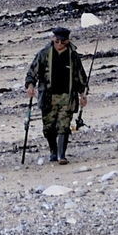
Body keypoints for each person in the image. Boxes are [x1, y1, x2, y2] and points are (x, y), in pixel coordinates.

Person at [24, 25, 88, 163]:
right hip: (48, 96)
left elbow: (80, 76)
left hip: (67, 96)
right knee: (48, 128)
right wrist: (30, 86)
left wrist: (83, 94)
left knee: (64, 126)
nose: (59, 44)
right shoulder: (44, 54)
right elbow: (32, 73)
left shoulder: (73, 56)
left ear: (67, 41)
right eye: (57, 41)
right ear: (53, 39)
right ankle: (53, 151)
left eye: (63, 42)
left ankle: (61, 155)